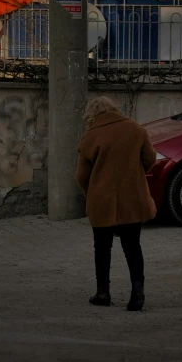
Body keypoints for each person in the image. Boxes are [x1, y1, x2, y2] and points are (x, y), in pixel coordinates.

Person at [75, 97, 157, 311]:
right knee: (132, 245)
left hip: (102, 199)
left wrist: (92, 190)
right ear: (114, 109)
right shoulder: (135, 129)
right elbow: (150, 158)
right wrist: (135, 176)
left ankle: (103, 293)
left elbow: (81, 176)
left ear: (91, 115)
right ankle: (137, 292)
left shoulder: (90, 136)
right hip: (133, 197)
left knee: (101, 247)